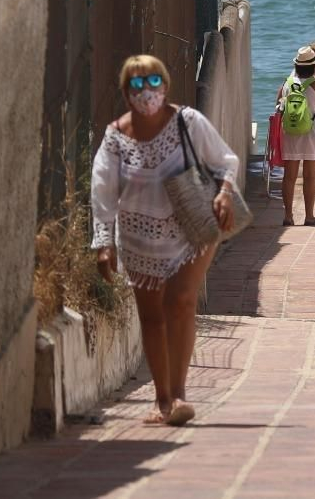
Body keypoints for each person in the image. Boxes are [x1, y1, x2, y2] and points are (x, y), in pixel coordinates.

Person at [91, 54, 239, 426]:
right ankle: (162, 399)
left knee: (182, 300)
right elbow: (103, 194)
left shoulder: (188, 122)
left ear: (166, 85)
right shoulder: (115, 138)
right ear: (126, 92)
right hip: (140, 237)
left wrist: (224, 192)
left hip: (193, 226)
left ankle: (179, 394)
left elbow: (225, 160)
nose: (147, 92)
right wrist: (104, 242)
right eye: (138, 85)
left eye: (154, 82)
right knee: (152, 317)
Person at [275, 43, 315, 226]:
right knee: (310, 176)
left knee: (289, 176)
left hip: (291, 132)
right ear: (314, 66)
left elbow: (278, 105)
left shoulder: (287, 84)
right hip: (314, 134)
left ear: (296, 65)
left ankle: (288, 216)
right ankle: (309, 216)